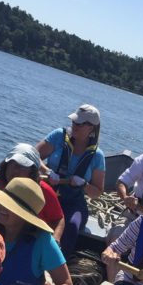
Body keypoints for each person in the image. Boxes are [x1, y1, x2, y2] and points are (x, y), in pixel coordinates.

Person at [36, 104, 106, 258]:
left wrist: (84, 184)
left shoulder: (97, 156)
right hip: (47, 193)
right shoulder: (58, 136)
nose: (75, 125)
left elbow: (97, 192)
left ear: (91, 128)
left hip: (74, 203)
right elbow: (34, 156)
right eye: (74, 121)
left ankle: (58, 263)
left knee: (72, 226)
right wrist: (47, 171)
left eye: (80, 124)